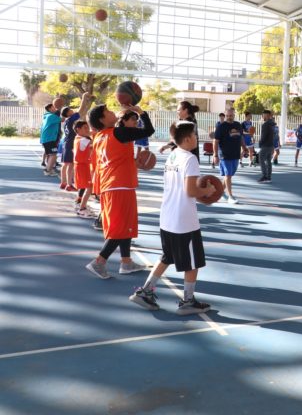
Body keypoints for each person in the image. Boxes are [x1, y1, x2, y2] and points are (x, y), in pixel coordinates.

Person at [129, 121, 217, 314]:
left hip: (167, 216)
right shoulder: (190, 159)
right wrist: (208, 190)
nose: (196, 138)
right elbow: (191, 190)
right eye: (194, 135)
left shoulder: (173, 155)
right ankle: (188, 301)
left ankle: (145, 291)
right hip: (183, 220)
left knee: (167, 257)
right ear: (187, 139)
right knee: (193, 262)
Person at [84, 103, 155, 279]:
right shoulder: (118, 132)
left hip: (112, 185)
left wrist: (133, 162)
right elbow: (148, 131)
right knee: (119, 228)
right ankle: (99, 262)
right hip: (119, 185)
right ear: (102, 119)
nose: (112, 112)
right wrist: (140, 112)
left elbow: (115, 159)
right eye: (108, 111)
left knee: (126, 226)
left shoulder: (100, 136)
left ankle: (126, 262)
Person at [213, 108, 248, 202]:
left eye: (231, 115)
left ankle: (218, 192)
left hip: (236, 154)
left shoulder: (238, 125)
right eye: (227, 116)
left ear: (234, 115)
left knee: (229, 175)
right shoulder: (221, 126)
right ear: (225, 116)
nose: (229, 117)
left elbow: (241, 137)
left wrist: (244, 148)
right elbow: (215, 141)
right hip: (224, 155)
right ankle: (230, 197)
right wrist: (215, 155)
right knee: (228, 175)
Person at [60, 93, 93, 191]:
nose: (72, 110)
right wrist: (83, 98)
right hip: (70, 142)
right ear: (68, 113)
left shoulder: (66, 121)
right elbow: (81, 109)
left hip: (66, 142)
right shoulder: (71, 119)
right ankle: (69, 184)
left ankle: (63, 182)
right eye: (70, 109)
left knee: (65, 164)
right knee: (70, 164)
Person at [73, 120, 95, 218]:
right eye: (85, 127)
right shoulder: (83, 140)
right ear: (78, 129)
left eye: (88, 127)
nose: (88, 129)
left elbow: (90, 146)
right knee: (89, 188)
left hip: (82, 166)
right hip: (82, 166)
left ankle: (80, 203)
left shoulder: (78, 138)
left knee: (86, 187)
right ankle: (82, 208)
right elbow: (95, 143)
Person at [40, 103, 62, 176]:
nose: (55, 108)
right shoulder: (51, 116)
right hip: (49, 139)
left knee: (52, 154)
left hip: (47, 138)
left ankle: (49, 169)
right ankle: (48, 170)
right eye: (53, 107)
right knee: (53, 154)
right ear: (49, 108)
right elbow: (63, 119)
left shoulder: (46, 116)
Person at [257, 109, 277, 183]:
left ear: (267, 115)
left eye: (264, 115)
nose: (263, 116)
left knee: (261, 159)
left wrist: (260, 143)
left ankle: (265, 176)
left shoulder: (265, 124)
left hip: (266, 145)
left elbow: (264, 136)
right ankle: (268, 177)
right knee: (268, 161)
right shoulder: (273, 124)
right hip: (271, 145)